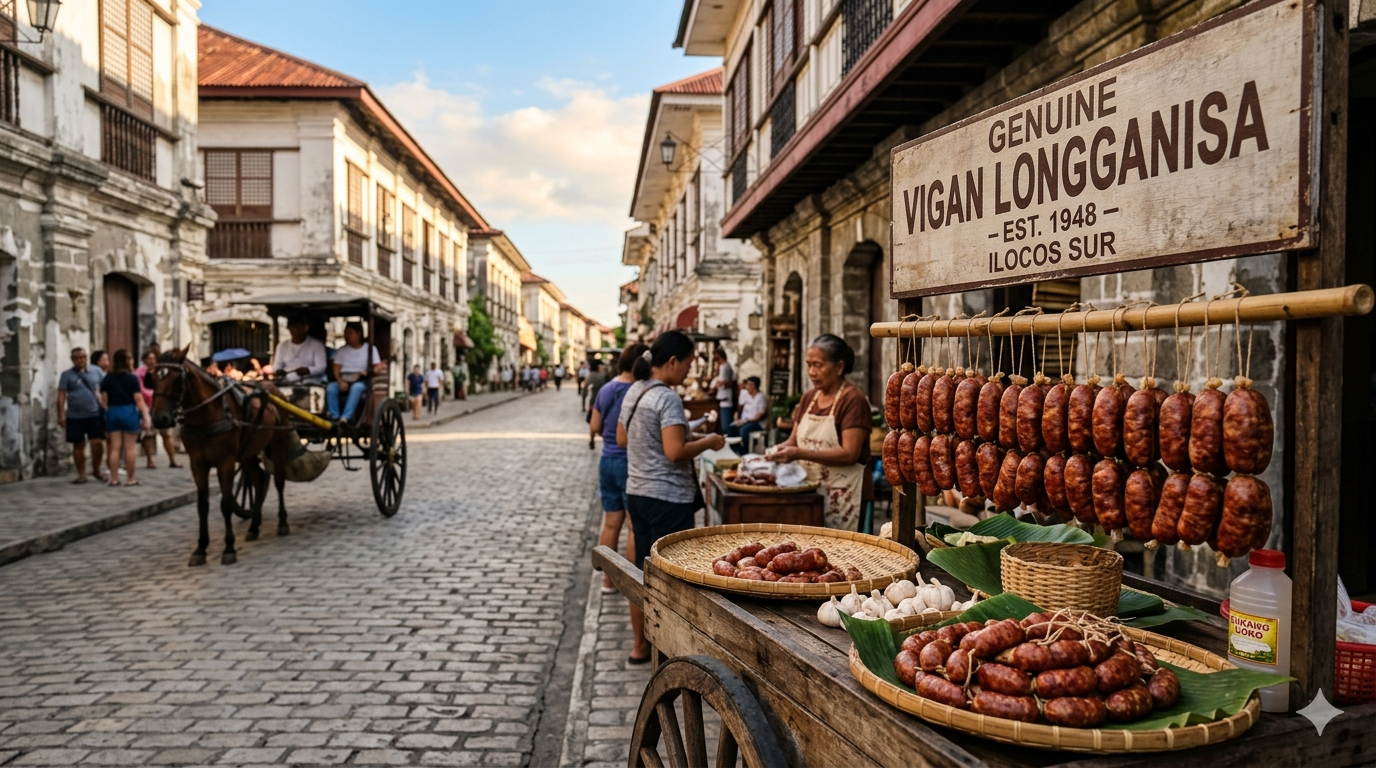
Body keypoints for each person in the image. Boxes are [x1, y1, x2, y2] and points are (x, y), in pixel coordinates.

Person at [617, 331, 726, 663]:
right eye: (689, 364)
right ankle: (669, 650)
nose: (689, 372)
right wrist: (708, 442)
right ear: (673, 361)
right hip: (668, 498)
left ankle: (640, 646)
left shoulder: (635, 391)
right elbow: (675, 451)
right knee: (670, 577)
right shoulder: (666, 398)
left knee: (643, 573)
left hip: (638, 492)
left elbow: (622, 438)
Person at [767, 334, 872, 531]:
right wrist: (777, 450)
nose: (811, 372)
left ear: (839, 367)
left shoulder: (853, 400)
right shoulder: (809, 398)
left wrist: (798, 453)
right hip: (810, 494)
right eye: (809, 365)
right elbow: (794, 440)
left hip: (845, 495)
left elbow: (850, 454)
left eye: (818, 365)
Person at [590, 344, 647, 595]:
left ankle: (607, 582)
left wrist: (610, 437)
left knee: (611, 523)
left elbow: (594, 425)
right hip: (631, 462)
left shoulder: (606, 389)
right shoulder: (639, 391)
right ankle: (633, 583)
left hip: (607, 461)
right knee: (634, 526)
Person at [100, 349, 152, 486]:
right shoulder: (132, 378)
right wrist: (146, 416)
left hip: (113, 411)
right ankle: (130, 478)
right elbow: (138, 399)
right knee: (130, 448)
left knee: (114, 448)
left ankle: (114, 479)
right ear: (128, 361)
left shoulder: (108, 378)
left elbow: (104, 399)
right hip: (128, 411)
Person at [58, 347, 107, 484]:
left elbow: (104, 389)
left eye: (83, 357)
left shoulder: (96, 371)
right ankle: (82, 474)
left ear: (86, 358)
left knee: (97, 443)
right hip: (75, 415)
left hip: (94, 414)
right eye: (77, 358)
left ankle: (97, 470)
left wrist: (106, 406)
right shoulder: (66, 375)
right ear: (72, 360)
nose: (80, 360)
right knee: (78, 445)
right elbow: (61, 395)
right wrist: (61, 413)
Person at [327, 322, 383, 423]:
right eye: (346, 333)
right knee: (331, 387)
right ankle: (334, 416)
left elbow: (377, 367)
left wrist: (369, 372)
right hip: (344, 378)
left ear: (358, 334)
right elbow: (336, 369)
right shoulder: (341, 351)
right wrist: (340, 381)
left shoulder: (370, 349)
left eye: (350, 332)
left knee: (357, 388)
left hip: (361, 379)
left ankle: (346, 417)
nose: (347, 336)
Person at [136, 349, 181, 469]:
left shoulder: (160, 372)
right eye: (149, 359)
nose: (151, 361)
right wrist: (153, 395)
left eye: (153, 359)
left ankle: (172, 459)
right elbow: (141, 389)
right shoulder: (140, 373)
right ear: (144, 360)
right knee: (149, 434)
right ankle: (150, 460)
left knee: (166, 433)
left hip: (160, 406)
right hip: (147, 406)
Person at [272, 316, 328, 384]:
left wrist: (308, 370)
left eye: (300, 327)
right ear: (289, 328)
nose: (297, 330)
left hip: (310, 382)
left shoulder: (317, 345)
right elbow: (277, 366)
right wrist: (278, 371)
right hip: (287, 382)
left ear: (306, 328)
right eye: (294, 327)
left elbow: (321, 367)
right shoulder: (282, 346)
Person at [729, 376, 769, 455]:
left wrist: (746, 421)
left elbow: (761, 414)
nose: (747, 386)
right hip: (744, 421)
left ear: (753, 386)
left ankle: (746, 452)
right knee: (730, 429)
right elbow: (740, 407)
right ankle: (737, 451)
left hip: (757, 423)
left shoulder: (761, 397)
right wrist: (737, 418)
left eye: (749, 384)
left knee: (744, 430)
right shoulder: (745, 395)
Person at [709, 348, 736, 430]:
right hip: (723, 397)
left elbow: (721, 382)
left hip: (725, 398)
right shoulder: (725, 366)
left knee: (726, 425)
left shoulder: (725, 367)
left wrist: (714, 388)